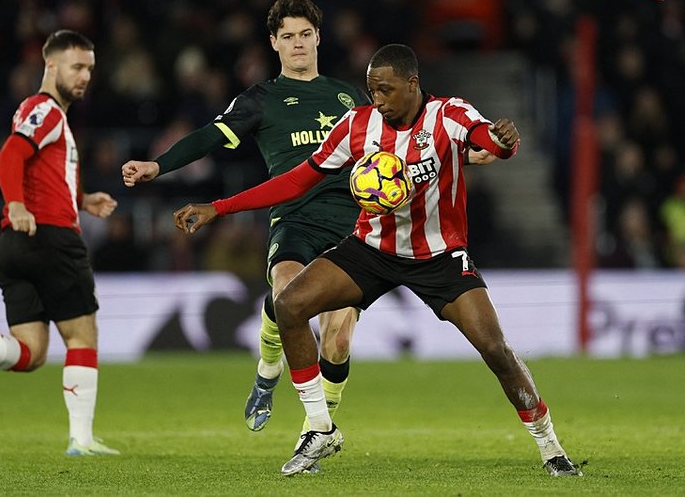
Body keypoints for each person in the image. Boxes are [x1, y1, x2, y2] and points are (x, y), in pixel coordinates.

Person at [173, 44, 581, 478]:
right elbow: (296, 180)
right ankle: (319, 427)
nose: (378, 101)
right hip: (371, 250)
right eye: (371, 91)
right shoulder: (358, 125)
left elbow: (486, 142)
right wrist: (220, 207)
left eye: (386, 90)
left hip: (439, 256)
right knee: (289, 304)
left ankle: (551, 448)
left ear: (412, 84)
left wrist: (503, 142)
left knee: (496, 350)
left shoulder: (448, 115)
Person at [121, 0, 510, 447]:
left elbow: (407, 143)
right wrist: (159, 165)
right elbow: (210, 135)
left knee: (338, 342)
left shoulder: (350, 96)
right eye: (287, 36)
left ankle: (317, 429)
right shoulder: (261, 99)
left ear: (318, 38)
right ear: (274, 43)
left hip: (353, 223)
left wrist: (469, 153)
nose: (298, 43)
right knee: (288, 291)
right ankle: (269, 367)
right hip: (295, 219)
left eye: (305, 34)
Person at [0, 30, 120, 457]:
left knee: (32, 352)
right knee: (82, 336)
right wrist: (16, 204)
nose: (85, 76)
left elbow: (42, 175)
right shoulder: (47, 110)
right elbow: (9, 155)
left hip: (14, 247)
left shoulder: (42, 115)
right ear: (50, 66)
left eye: (90, 68)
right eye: (77, 66)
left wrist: (82, 199)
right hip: (50, 239)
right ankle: (82, 440)